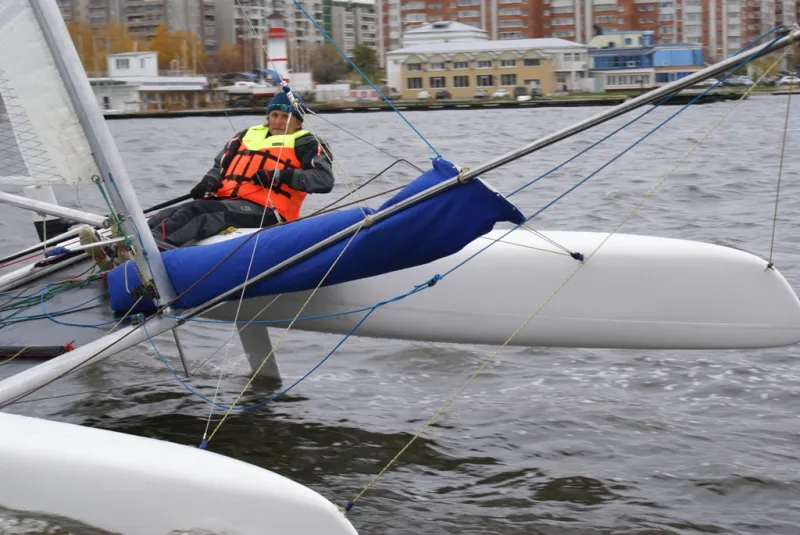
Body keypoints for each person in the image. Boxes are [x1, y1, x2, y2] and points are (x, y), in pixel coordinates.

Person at [146, 90, 334, 248]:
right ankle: (131, 247)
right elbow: (219, 166)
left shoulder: (306, 143)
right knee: (165, 215)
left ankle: (151, 251)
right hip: (228, 201)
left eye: (286, 117)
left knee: (197, 212)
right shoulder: (244, 136)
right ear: (268, 117)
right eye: (274, 115)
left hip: (268, 212)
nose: (278, 121)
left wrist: (278, 175)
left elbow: (324, 180)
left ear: (298, 122)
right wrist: (208, 181)